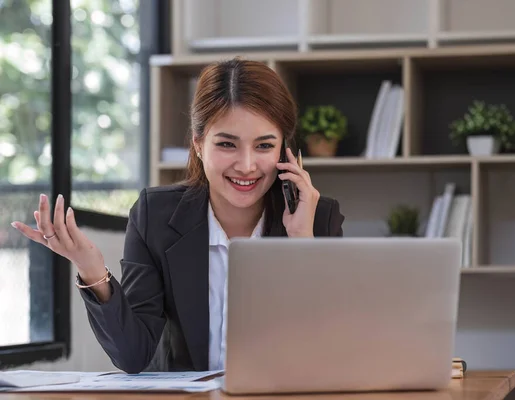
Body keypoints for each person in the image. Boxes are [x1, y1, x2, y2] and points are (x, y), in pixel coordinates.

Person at [11, 57, 345, 374]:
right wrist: (91, 269)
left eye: (264, 146)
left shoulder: (318, 218)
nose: (246, 165)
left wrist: (302, 245)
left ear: (286, 151)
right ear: (199, 145)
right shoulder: (155, 215)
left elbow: (330, 351)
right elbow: (133, 356)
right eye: (227, 144)